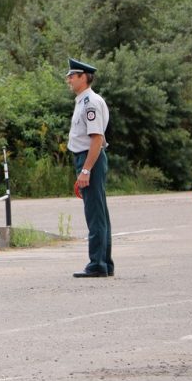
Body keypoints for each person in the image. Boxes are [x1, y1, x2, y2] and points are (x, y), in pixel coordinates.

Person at [65, 58, 114, 278]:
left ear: (83, 77)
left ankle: (97, 264)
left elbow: (96, 139)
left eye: (72, 75)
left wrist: (85, 170)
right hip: (88, 158)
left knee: (95, 214)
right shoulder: (83, 101)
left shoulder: (90, 103)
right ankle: (104, 263)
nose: (68, 79)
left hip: (89, 159)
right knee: (99, 213)